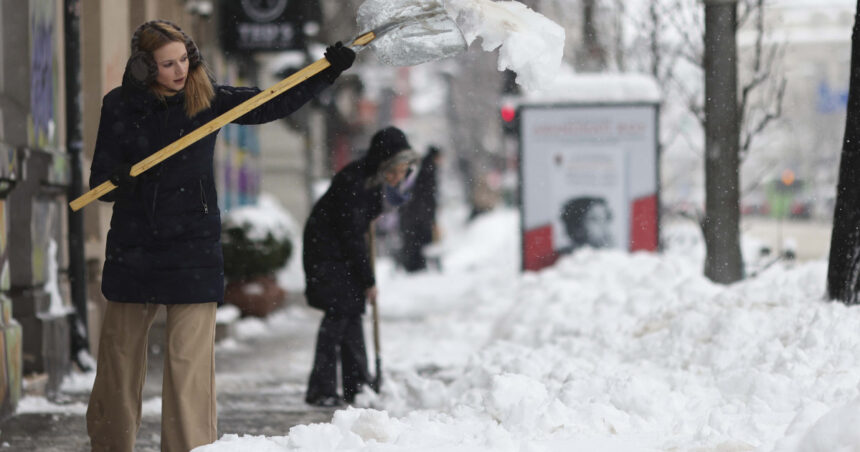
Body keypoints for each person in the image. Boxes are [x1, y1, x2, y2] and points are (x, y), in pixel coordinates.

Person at [85, 19, 355, 452]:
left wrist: (327, 71)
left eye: (185, 60)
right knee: (118, 360)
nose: (179, 71)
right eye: (167, 64)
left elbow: (272, 103)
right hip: (134, 245)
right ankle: (109, 444)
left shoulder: (205, 100)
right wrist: (119, 180)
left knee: (188, 366)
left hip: (193, 243)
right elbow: (101, 180)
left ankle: (189, 447)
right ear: (142, 68)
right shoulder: (120, 105)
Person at [303, 127, 419, 407]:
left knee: (351, 313)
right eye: (396, 170)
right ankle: (322, 389)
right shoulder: (356, 182)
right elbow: (352, 236)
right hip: (327, 253)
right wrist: (368, 280)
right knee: (338, 316)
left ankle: (357, 385)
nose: (400, 177)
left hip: (339, 252)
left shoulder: (370, 181)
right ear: (384, 165)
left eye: (404, 170)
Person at [398, 146, 442, 272]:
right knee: (421, 238)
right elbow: (429, 192)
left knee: (414, 239)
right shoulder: (429, 168)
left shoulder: (423, 167)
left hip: (415, 212)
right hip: (421, 212)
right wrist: (430, 211)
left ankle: (415, 264)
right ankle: (417, 264)